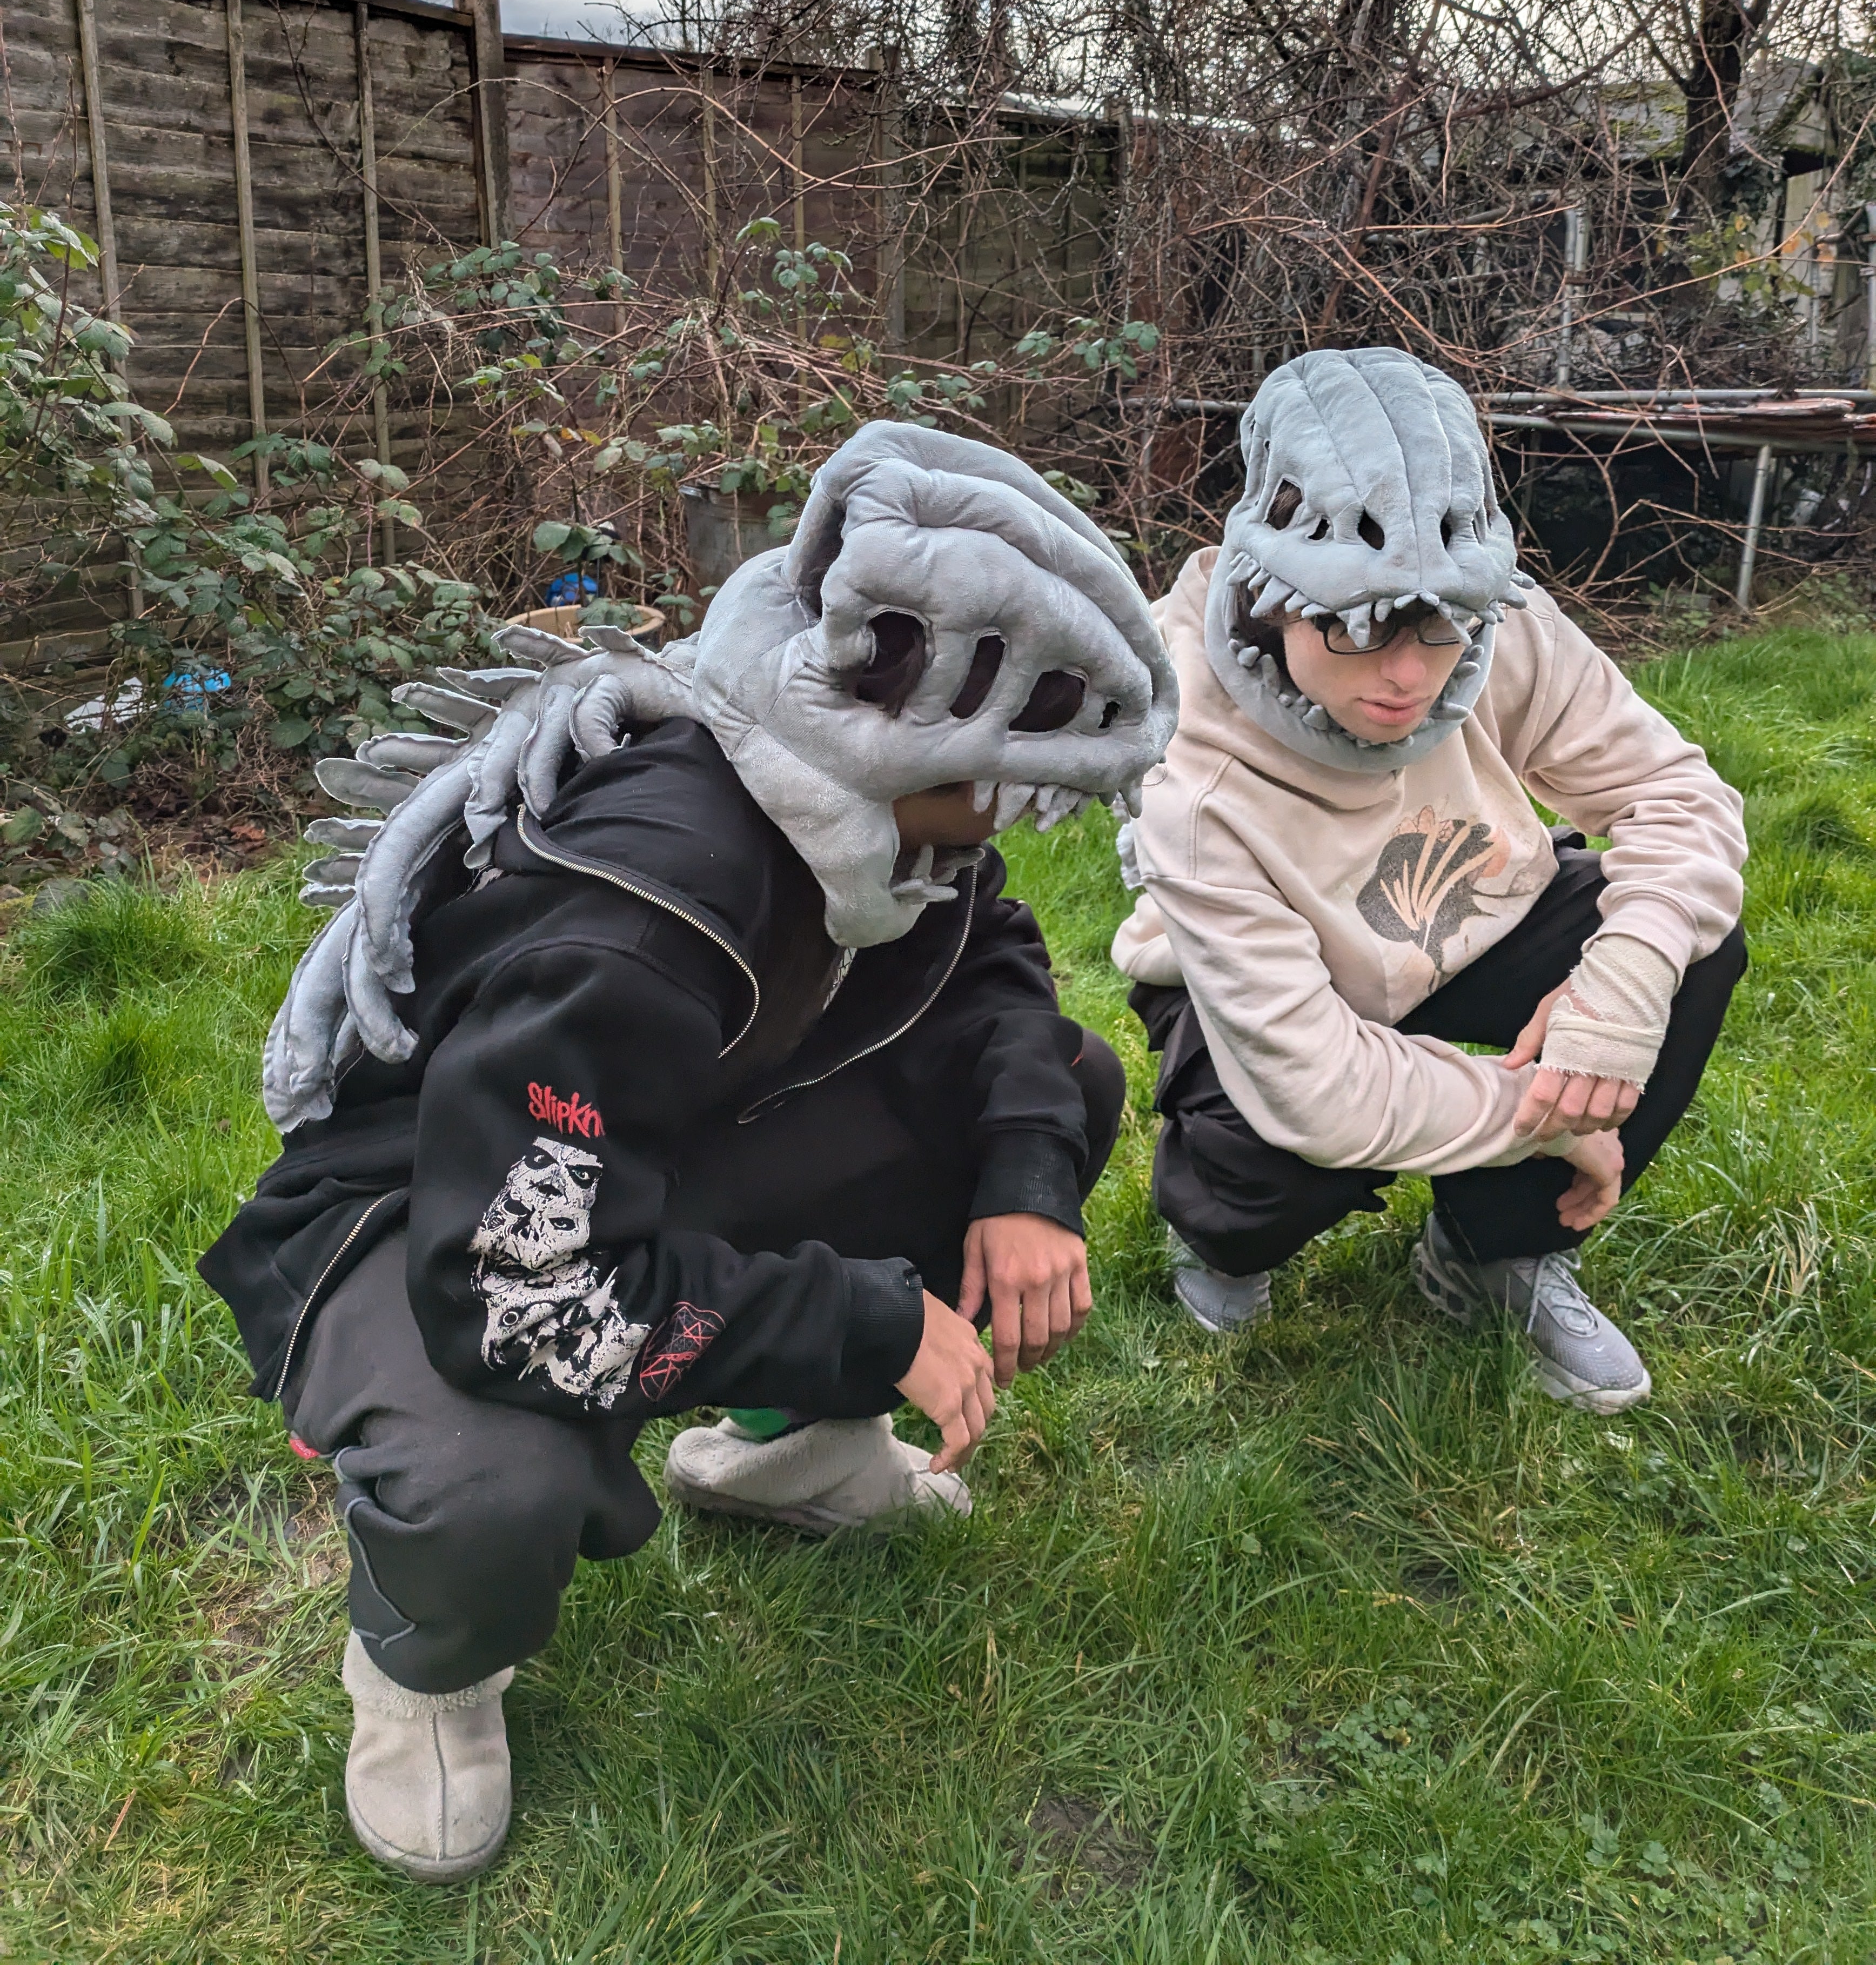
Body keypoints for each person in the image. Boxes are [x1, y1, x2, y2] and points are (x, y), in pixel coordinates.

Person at [199, 423, 1176, 1884]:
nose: (1017, 817)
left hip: (661, 1151)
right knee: (492, 1484)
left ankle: (787, 1456)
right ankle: (429, 1666)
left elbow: (993, 964)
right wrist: (871, 1315)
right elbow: (515, 1301)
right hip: (433, 1232)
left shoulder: (877, 802)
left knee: (1055, 1092)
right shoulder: (652, 907)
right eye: (1012, 774)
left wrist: (1032, 1173)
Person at [1114, 347, 1746, 1412]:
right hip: (1266, 983)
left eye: (1436, 626)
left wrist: (1615, 994)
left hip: (1467, 913)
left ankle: (1490, 1253)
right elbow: (1314, 1083)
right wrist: (1553, 1117)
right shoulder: (1179, 748)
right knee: (1276, 1153)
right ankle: (1220, 1231)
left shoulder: (1498, 626)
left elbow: (1673, 797)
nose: (1407, 674)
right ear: (1265, 594)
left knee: (1688, 946)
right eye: (1352, 629)